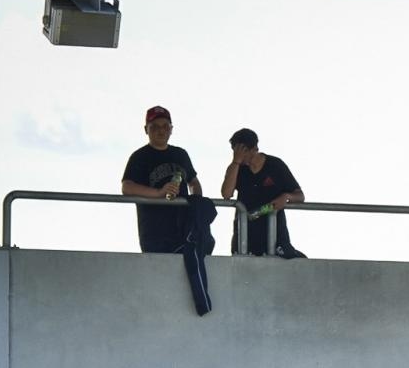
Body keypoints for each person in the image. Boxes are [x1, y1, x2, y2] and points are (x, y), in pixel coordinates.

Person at [120, 105, 202, 254]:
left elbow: (193, 182)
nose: (161, 130)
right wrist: (159, 193)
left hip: (184, 229)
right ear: (146, 129)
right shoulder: (139, 157)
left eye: (165, 126)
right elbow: (127, 187)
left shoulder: (181, 154)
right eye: (155, 126)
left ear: (171, 129)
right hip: (154, 232)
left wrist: (196, 202)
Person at [221, 128, 305, 257]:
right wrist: (236, 162)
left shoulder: (276, 165)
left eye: (243, 152)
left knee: (293, 262)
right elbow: (226, 194)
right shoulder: (236, 168)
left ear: (254, 148)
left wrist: (286, 197)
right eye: (235, 151)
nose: (241, 156)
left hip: (276, 235)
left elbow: (300, 195)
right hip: (245, 236)